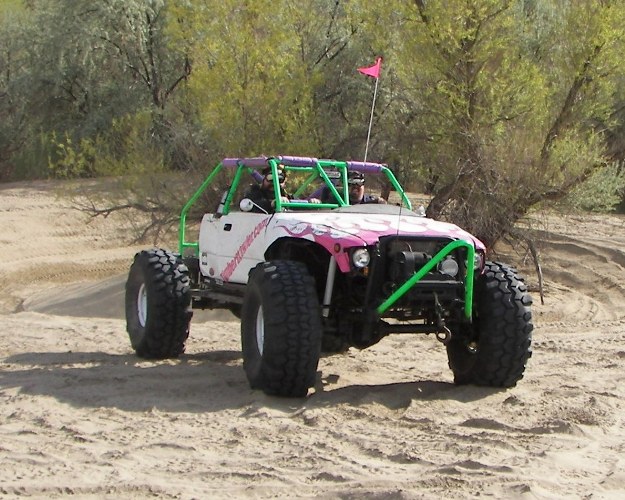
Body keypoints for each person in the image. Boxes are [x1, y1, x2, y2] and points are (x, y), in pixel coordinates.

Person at [321, 171, 387, 205]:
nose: (355, 187)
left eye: (359, 183)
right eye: (351, 184)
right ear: (345, 186)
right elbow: (322, 208)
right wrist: (316, 202)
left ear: (363, 186)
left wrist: (382, 203)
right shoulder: (337, 200)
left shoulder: (371, 202)